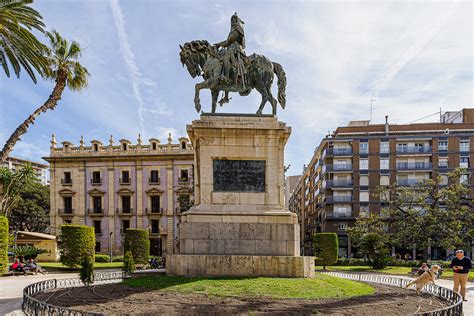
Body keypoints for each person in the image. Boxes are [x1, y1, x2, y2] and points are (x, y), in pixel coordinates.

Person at [214, 13, 247, 85]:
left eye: (233, 20)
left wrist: (219, 44)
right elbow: (227, 41)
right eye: (232, 20)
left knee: (225, 58)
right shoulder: (233, 29)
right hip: (231, 48)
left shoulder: (237, 29)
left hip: (235, 49)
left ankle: (227, 77)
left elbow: (229, 41)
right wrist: (218, 45)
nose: (232, 22)